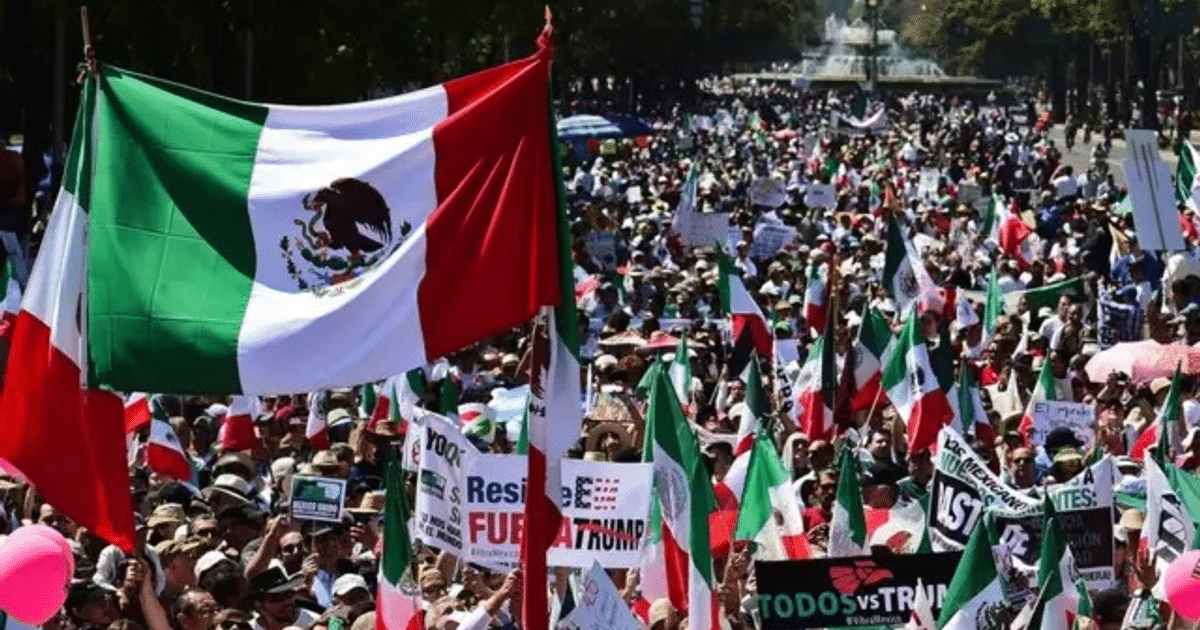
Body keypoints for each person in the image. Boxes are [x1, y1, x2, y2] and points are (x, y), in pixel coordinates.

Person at [248, 567, 319, 630]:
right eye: (276, 597)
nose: (286, 601)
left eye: (289, 594)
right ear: (259, 605)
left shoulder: (313, 622)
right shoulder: (249, 628)